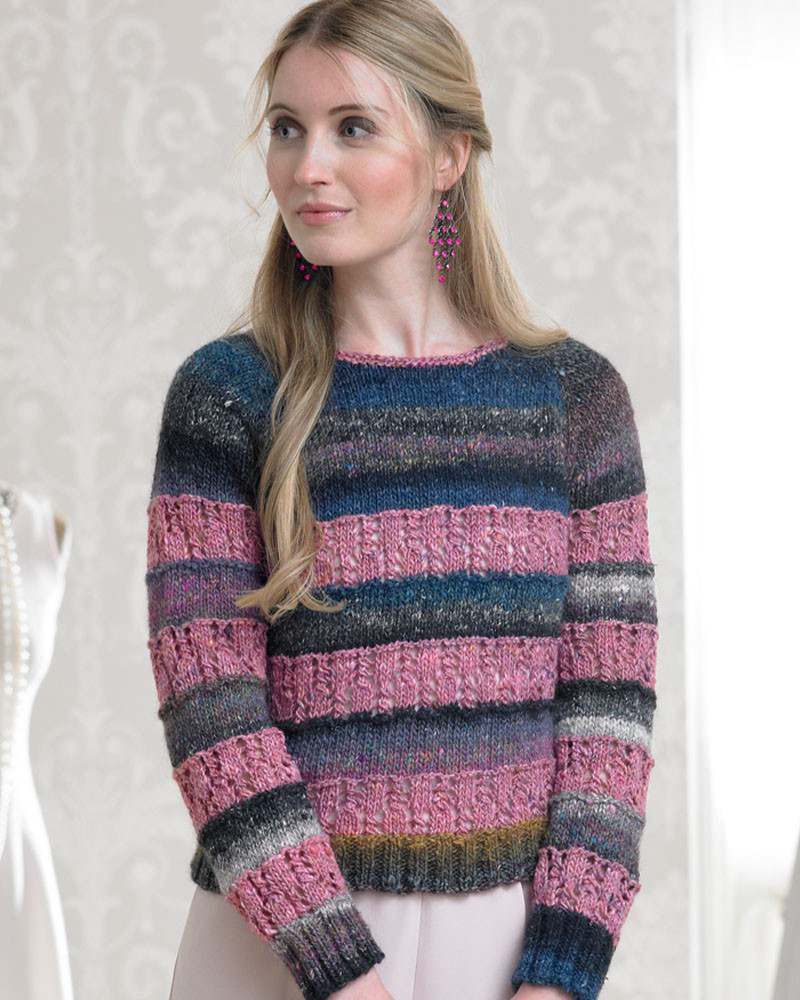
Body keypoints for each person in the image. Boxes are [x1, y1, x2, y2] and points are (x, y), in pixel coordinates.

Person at [144, 2, 658, 999]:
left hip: (504, 953)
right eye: (287, 127)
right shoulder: (228, 397)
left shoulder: (574, 399)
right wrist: (341, 972)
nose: (307, 166)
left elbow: (608, 717)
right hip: (276, 951)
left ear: (449, 154)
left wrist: (559, 975)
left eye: (353, 127)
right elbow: (212, 711)